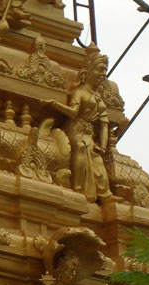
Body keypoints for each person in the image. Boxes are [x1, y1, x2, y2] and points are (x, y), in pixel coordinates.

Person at [48, 46, 112, 202]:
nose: (103, 74)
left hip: (90, 134)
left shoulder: (99, 98)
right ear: (87, 73)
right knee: (80, 146)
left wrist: (103, 146)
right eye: (99, 70)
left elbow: (104, 125)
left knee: (98, 160)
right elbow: (73, 113)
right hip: (76, 129)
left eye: (105, 70)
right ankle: (77, 187)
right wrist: (55, 104)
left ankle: (105, 193)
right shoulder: (79, 92)